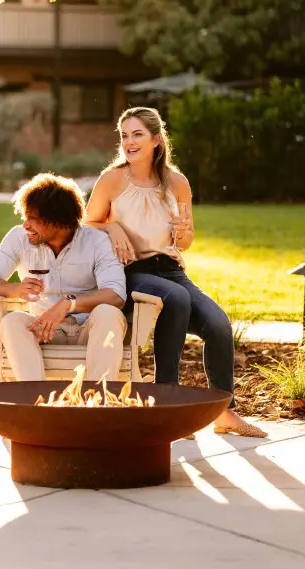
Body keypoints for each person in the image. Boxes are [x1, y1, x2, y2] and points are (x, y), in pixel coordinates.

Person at [84, 106, 266, 438]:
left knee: (217, 324)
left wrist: (183, 234)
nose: (129, 142)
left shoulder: (177, 183)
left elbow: (187, 239)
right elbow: (87, 224)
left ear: (156, 139)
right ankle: (166, 402)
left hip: (170, 270)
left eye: (137, 134)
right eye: (124, 135)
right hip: (131, 270)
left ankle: (224, 412)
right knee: (177, 299)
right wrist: (112, 227)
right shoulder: (112, 180)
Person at [0, 174, 128, 382]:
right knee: (13, 321)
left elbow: (115, 295)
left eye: (33, 219)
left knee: (108, 313)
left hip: (88, 329)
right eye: (25, 217)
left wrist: (68, 304)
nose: (26, 225)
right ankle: (35, 400)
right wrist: (13, 289)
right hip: (44, 331)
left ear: (59, 220)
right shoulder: (19, 238)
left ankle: (97, 402)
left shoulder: (97, 242)